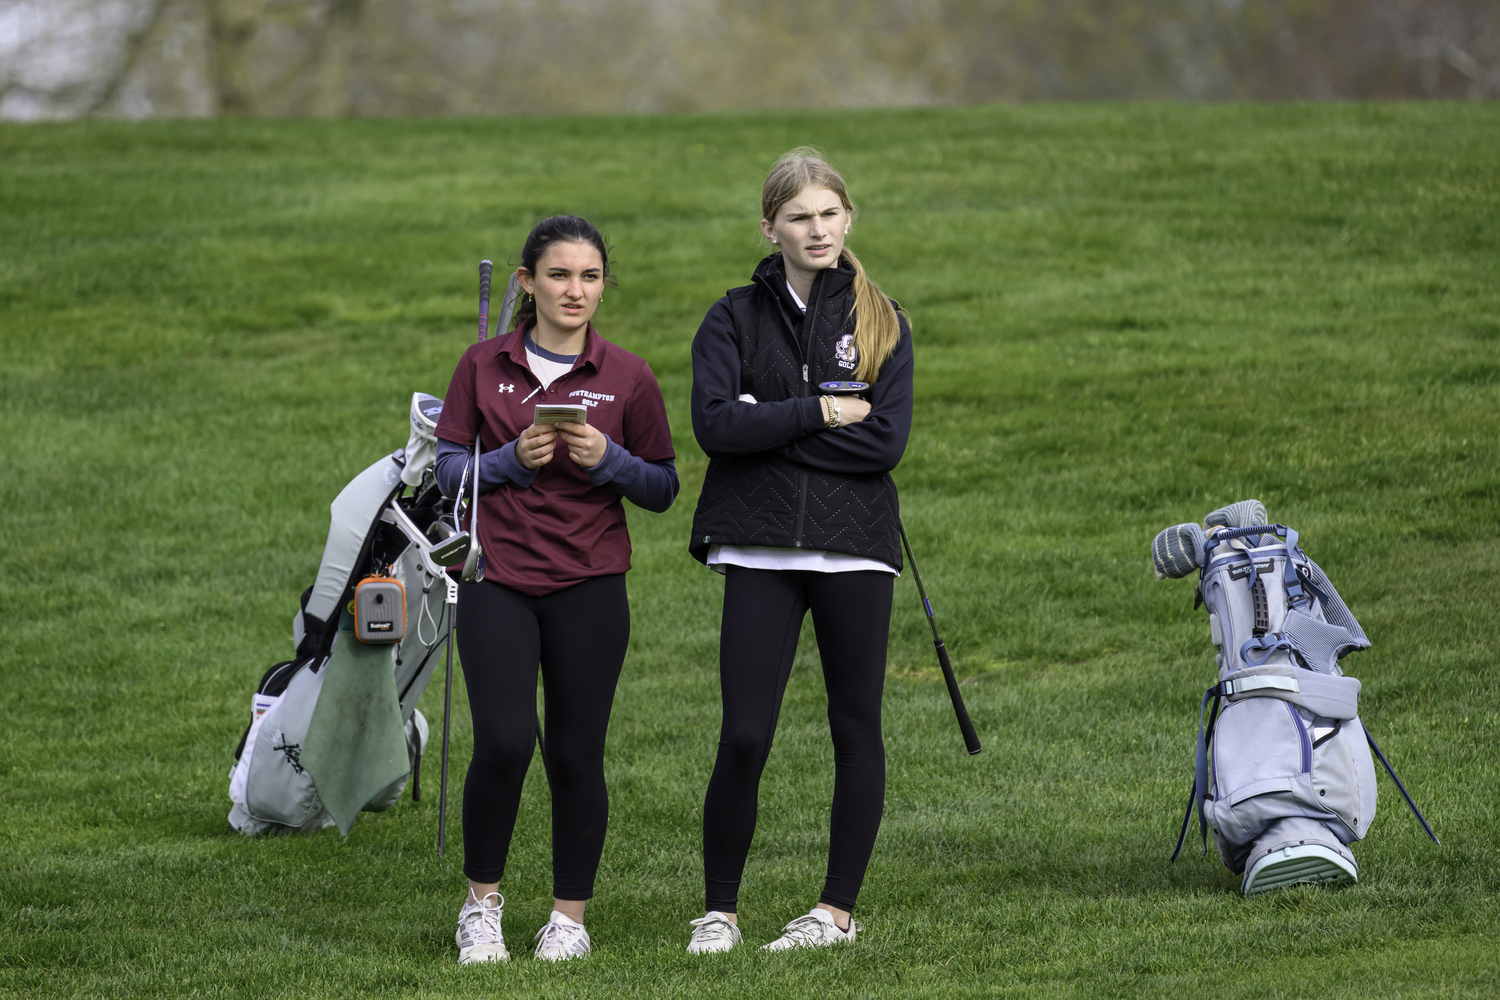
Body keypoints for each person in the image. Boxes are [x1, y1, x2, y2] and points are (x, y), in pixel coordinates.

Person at [683, 148, 914, 954]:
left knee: (856, 728)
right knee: (744, 733)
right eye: (798, 217)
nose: (815, 229)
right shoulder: (731, 318)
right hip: (758, 547)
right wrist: (820, 412)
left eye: (827, 214)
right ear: (769, 227)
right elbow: (715, 426)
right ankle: (719, 913)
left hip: (855, 549)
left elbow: (884, 445)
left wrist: (769, 421)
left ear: (848, 217)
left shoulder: (883, 319)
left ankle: (835, 914)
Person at [433, 215, 678, 964]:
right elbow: (446, 470)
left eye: (591, 276)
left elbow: (663, 485)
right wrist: (508, 461)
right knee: (505, 742)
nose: (576, 290)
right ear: (526, 283)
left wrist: (608, 459)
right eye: (560, 275)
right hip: (496, 577)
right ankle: (481, 909)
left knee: (577, 752)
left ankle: (568, 918)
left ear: (605, 285)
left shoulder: (628, 375)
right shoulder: (482, 365)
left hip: (590, 584)